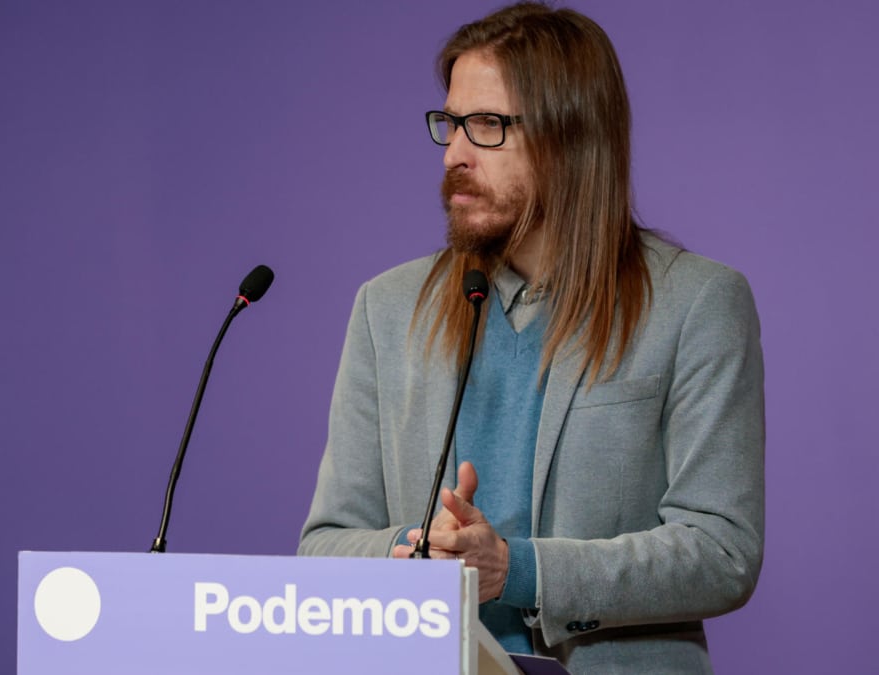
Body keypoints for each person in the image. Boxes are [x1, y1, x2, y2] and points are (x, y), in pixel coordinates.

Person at [297, 3, 764, 673]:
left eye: (487, 125)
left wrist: (517, 570)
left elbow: (722, 550)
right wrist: (414, 550)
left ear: (570, 137)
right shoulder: (387, 307)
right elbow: (324, 545)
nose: (455, 153)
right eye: (451, 123)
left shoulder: (697, 304)